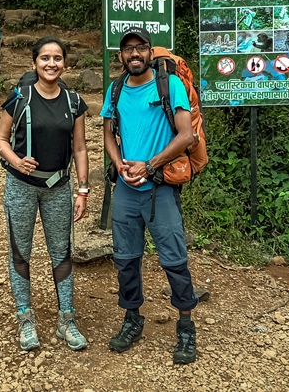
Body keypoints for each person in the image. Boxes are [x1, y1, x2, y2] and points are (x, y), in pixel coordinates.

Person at [100, 26, 201, 365]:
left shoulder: (169, 85)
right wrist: (120, 165)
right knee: (126, 259)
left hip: (160, 188)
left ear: (150, 51)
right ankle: (132, 319)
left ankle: (186, 326)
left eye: (140, 47)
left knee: (174, 259)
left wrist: (149, 165)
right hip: (127, 190)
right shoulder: (115, 90)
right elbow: (109, 133)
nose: (134, 54)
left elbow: (186, 135)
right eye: (127, 49)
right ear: (120, 56)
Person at [0, 36, 90, 352]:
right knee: (20, 253)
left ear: (65, 63)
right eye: (45, 58)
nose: (51, 64)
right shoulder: (19, 97)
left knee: (60, 253)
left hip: (58, 188)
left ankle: (66, 320)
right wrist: (16, 161)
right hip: (21, 187)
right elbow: (1, 139)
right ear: (35, 63)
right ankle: (25, 318)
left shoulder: (74, 102)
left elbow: (79, 147)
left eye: (57, 58)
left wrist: (83, 190)